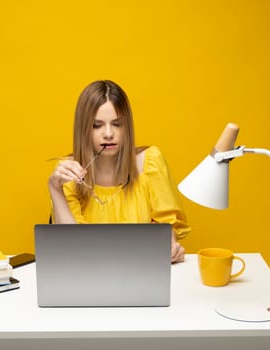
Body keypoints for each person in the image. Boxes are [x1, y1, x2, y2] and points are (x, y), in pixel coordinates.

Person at [48, 80, 190, 263]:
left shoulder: (150, 161)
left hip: (141, 270)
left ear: (127, 127)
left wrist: (171, 247)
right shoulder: (68, 172)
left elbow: (167, 225)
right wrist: (54, 189)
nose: (108, 134)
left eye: (117, 124)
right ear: (83, 129)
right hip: (88, 272)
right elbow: (70, 245)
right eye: (97, 125)